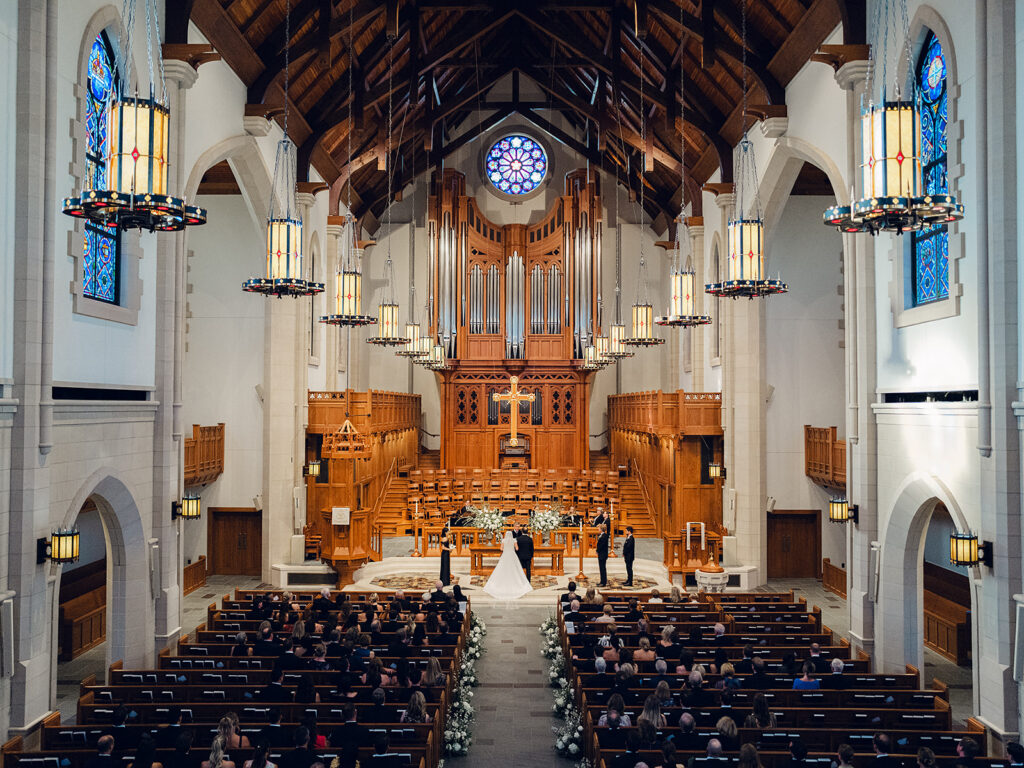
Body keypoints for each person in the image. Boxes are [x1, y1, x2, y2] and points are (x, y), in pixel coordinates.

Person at [482, 529, 533, 599]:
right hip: (512, 555)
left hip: (505, 555)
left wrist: (506, 548)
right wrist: (513, 548)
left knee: (503, 569)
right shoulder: (514, 540)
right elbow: (517, 548)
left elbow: (501, 549)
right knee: (514, 570)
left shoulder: (503, 540)